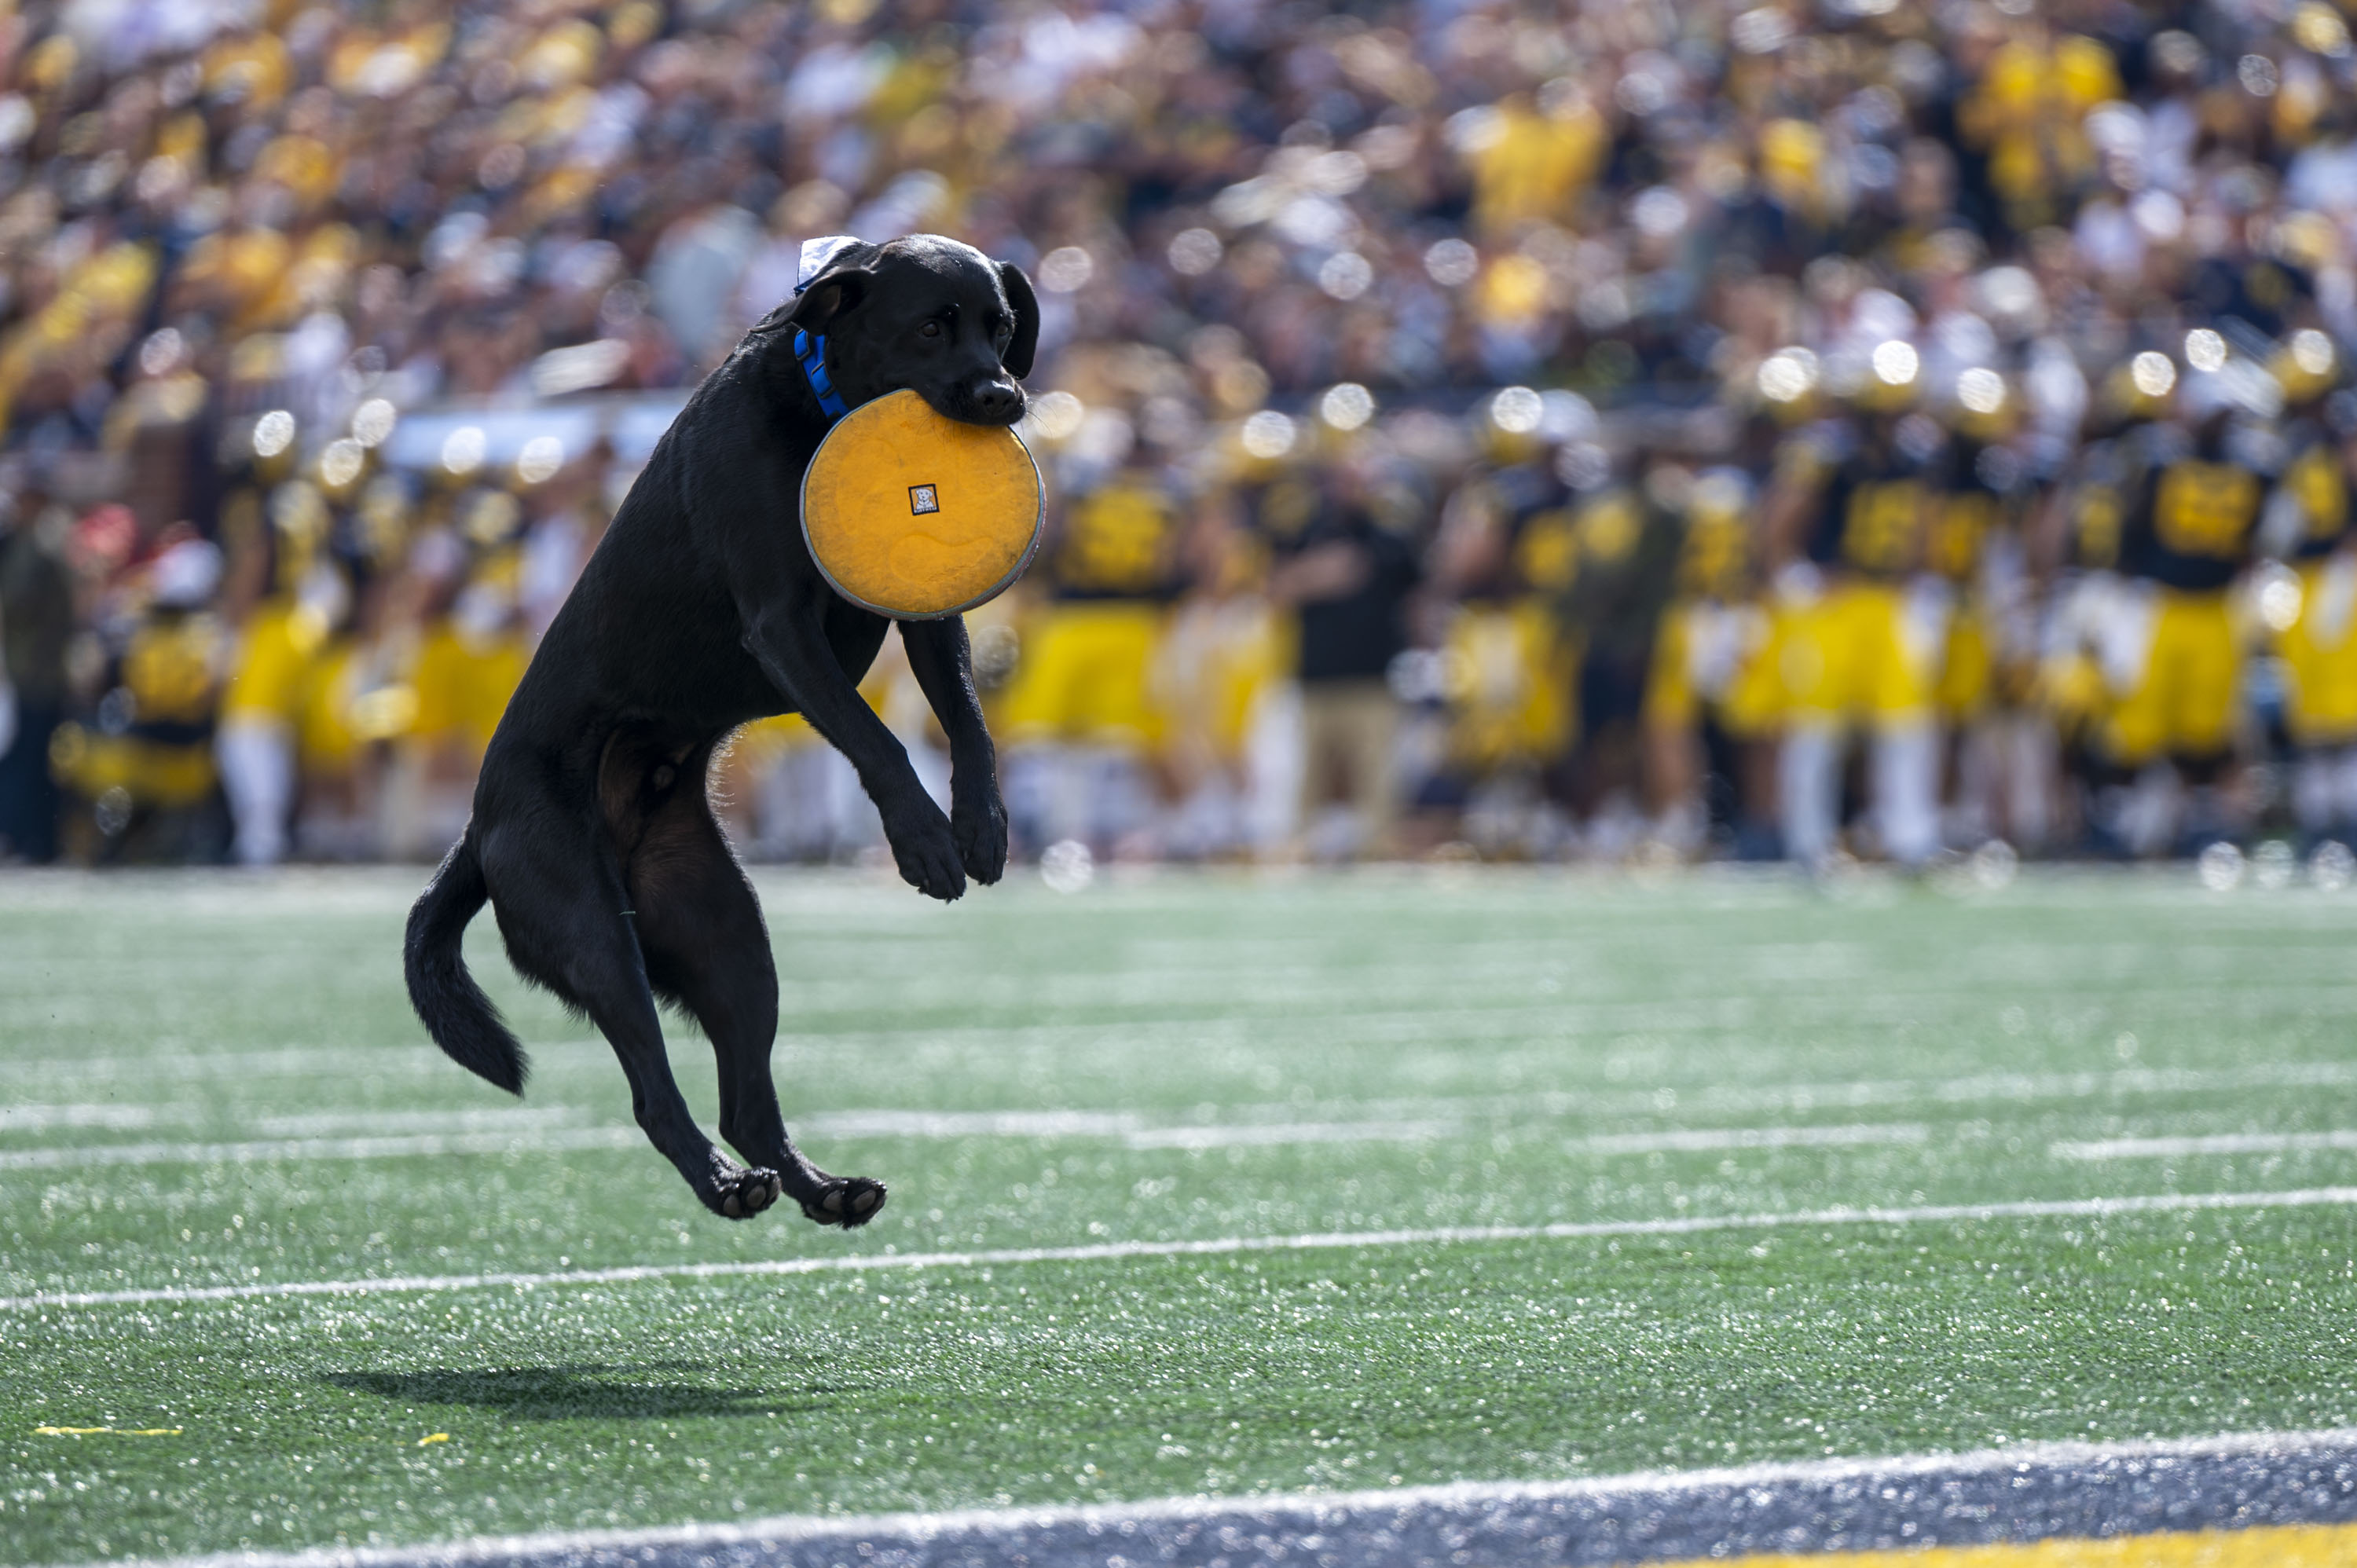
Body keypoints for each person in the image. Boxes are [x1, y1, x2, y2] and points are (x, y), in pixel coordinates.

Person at [1267, 457, 1421, 861]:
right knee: (1307, 777)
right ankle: (1298, 849)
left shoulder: (1390, 540)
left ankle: (1378, 849)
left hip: (1373, 675)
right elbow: (1274, 589)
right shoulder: (1307, 533)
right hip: (1316, 675)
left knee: (1377, 777)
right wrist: (1317, 576)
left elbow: (1416, 602)